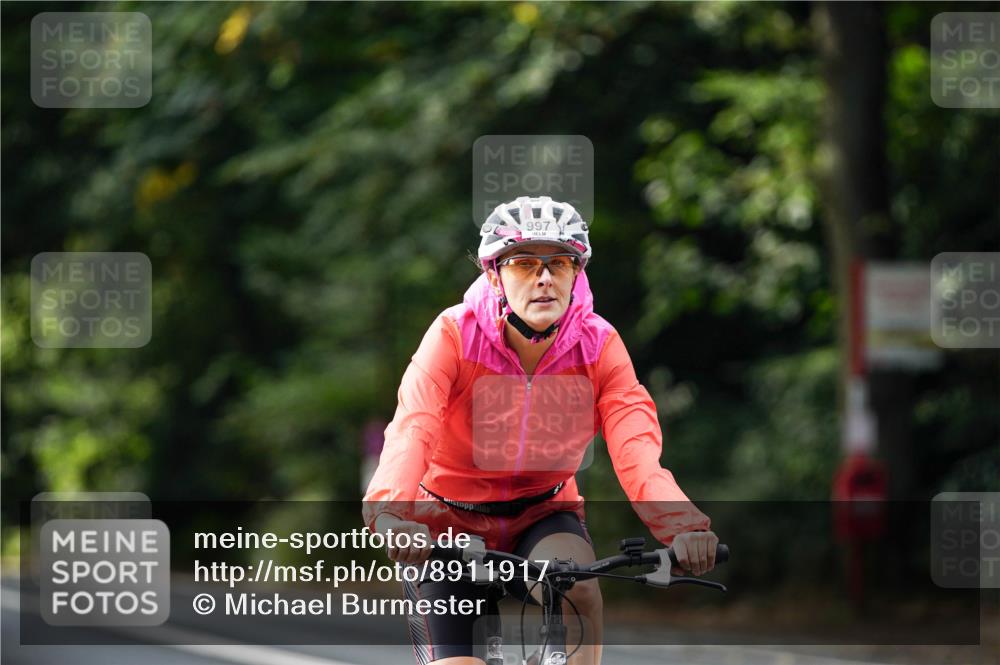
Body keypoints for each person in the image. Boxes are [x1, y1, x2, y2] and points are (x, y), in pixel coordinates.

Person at [363, 196, 718, 665]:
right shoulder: (453, 334)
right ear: (494, 275)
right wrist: (391, 515)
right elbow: (414, 426)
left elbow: (636, 451)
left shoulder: (600, 345)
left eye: (560, 262)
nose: (544, 277)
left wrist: (684, 527)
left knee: (580, 591)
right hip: (446, 523)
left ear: (578, 273)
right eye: (524, 263)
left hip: (541, 512)